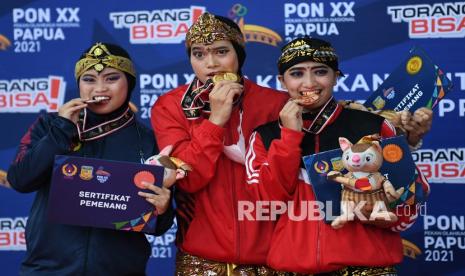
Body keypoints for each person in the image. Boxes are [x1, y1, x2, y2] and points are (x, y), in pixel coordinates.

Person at [245, 37, 431, 275]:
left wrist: (378, 214)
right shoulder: (265, 136)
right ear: (283, 81)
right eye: (297, 73)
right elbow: (266, 206)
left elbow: (411, 201)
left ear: (336, 76)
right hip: (292, 269)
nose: (309, 83)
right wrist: (289, 137)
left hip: (368, 270)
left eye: (321, 72)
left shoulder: (373, 125)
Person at [7, 42, 175, 275]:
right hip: (47, 270)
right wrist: (62, 129)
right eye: (89, 79)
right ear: (78, 84)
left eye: (111, 78)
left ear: (130, 83)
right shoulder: (50, 126)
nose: (99, 88)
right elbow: (20, 180)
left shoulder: (149, 140)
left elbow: (159, 227)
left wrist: (163, 208)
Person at [151, 12, 289, 274]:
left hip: (272, 259)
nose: (211, 63)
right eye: (199, 54)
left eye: (221, 51)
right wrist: (215, 121)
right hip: (200, 261)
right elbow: (189, 179)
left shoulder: (275, 104)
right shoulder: (170, 106)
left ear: (239, 54)